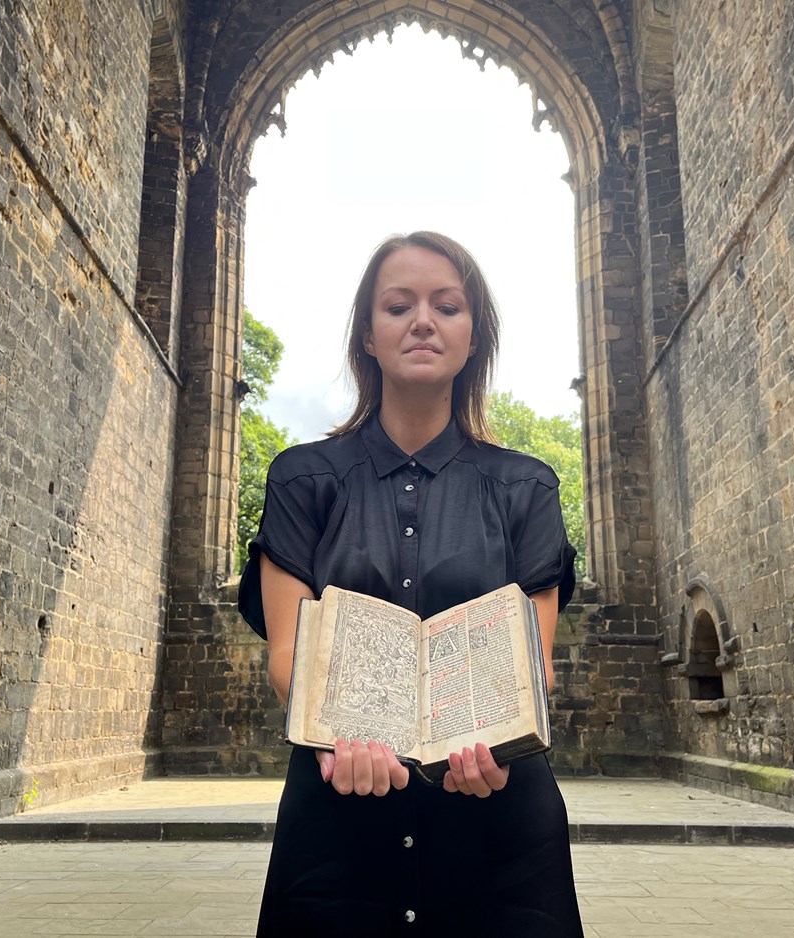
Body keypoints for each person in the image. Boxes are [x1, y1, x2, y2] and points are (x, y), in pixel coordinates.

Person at [238, 231, 582, 936]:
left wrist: (494, 740)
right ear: (368, 334)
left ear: (472, 336)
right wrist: (344, 736)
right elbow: (288, 655)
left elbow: (532, 668)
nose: (423, 319)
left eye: (447, 305)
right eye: (399, 305)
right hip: (339, 811)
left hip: (497, 822)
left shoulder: (526, 487)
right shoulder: (303, 479)